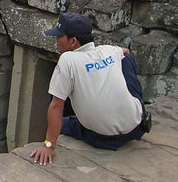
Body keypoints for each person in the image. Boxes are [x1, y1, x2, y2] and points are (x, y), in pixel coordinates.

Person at [31, 12, 152, 165]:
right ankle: (136, 110)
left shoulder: (67, 60)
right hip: (136, 127)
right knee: (126, 60)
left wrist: (49, 145)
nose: (56, 40)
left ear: (73, 41)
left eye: (59, 37)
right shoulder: (108, 50)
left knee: (64, 123)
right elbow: (125, 51)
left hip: (103, 138)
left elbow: (56, 106)